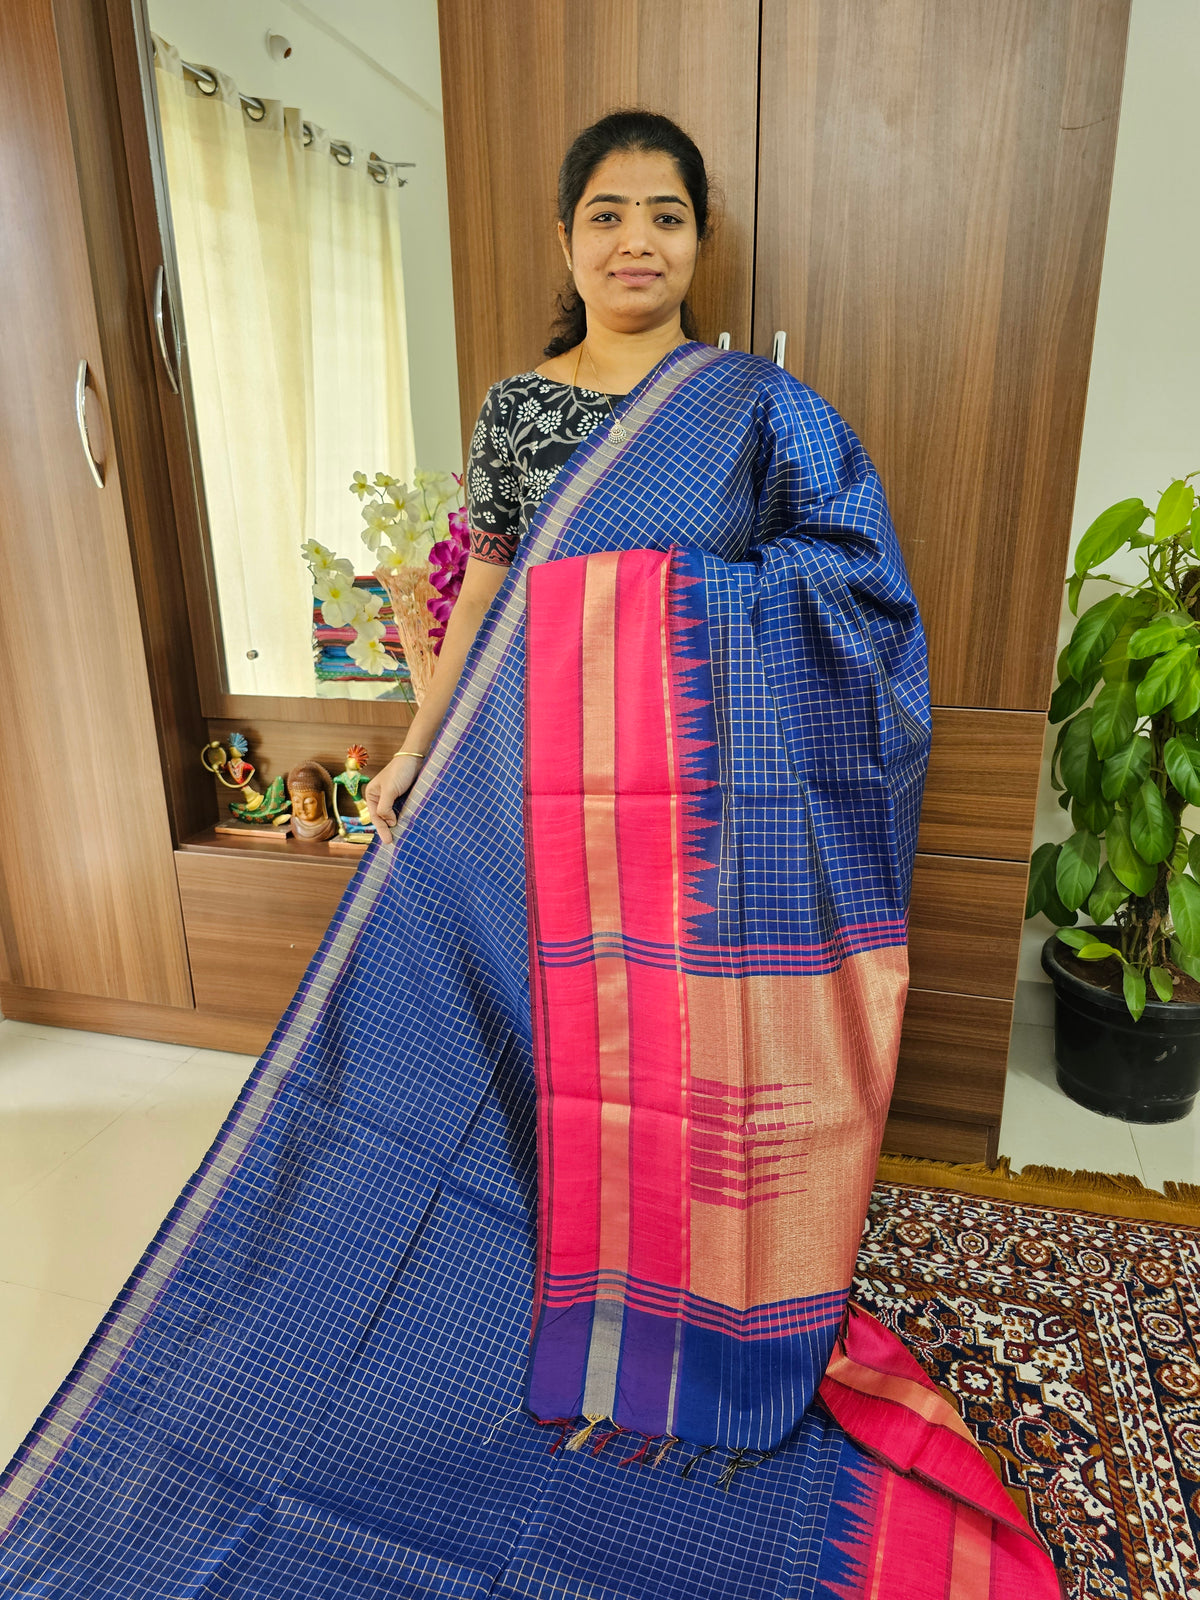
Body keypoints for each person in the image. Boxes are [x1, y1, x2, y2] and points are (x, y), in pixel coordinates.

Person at [0, 112, 1059, 1598]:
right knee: (497, 1049)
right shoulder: (518, 409)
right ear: (567, 240)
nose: (640, 239)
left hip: (686, 835)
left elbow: (850, 598)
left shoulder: (753, 408)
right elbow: (485, 593)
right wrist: (417, 751)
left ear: (700, 244)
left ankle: (667, 1310)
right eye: (611, 212)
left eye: (669, 216)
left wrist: (657, 605)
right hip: (525, 805)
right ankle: (515, 1282)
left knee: (661, 1068)